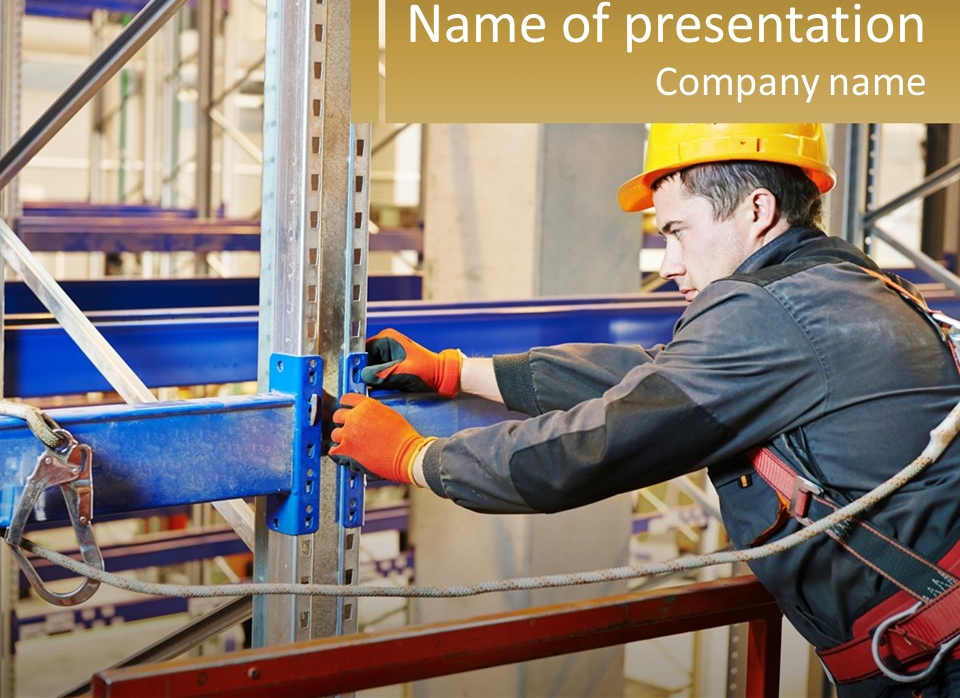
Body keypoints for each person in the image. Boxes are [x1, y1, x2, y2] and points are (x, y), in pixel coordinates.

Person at [330, 123, 960, 697]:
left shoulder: (768, 313)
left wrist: (418, 458)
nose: (669, 265)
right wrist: (457, 372)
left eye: (677, 231)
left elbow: (602, 443)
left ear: (757, 210)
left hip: (933, 665)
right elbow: (657, 377)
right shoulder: (843, 287)